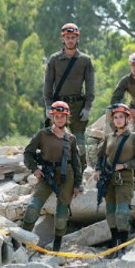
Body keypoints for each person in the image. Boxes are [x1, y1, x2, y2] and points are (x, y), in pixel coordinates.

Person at [21, 101, 82, 251]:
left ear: (67, 117)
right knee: (32, 207)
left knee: (61, 215)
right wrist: (35, 169)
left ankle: (57, 247)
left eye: (62, 116)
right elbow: (28, 153)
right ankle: (22, 243)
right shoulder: (43, 134)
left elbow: (76, 163)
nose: (60, 119)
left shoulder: (71, 138)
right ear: (52, 117)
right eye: (57, 116)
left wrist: (77, 184)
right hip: (47, 175)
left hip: (67, 177)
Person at [94, 103, 135, 257]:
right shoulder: (109, 137)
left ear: (127, 119)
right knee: (110, 214)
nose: (118, 120)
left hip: (125, 180)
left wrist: (124, 165)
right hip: (108, 180)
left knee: (122, 213)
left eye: (121, 117)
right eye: (115, 117)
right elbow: (100, 156)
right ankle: (114, 245)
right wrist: (98, 170)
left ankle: (123, 248)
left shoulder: (134, 138)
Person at [44, 23, 95, 168]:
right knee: (54, 141)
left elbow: (90, 86)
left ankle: (81, 171)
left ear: (78, 38)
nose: (70, 40)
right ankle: (53, 171)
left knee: (80, 142)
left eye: (73, 37)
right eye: (68, 37)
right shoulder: (54, 59)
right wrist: (48, 106)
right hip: (58, 106)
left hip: (78, 106)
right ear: (63, 39)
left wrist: (87, 107)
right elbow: (48, 85)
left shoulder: (85, 60)